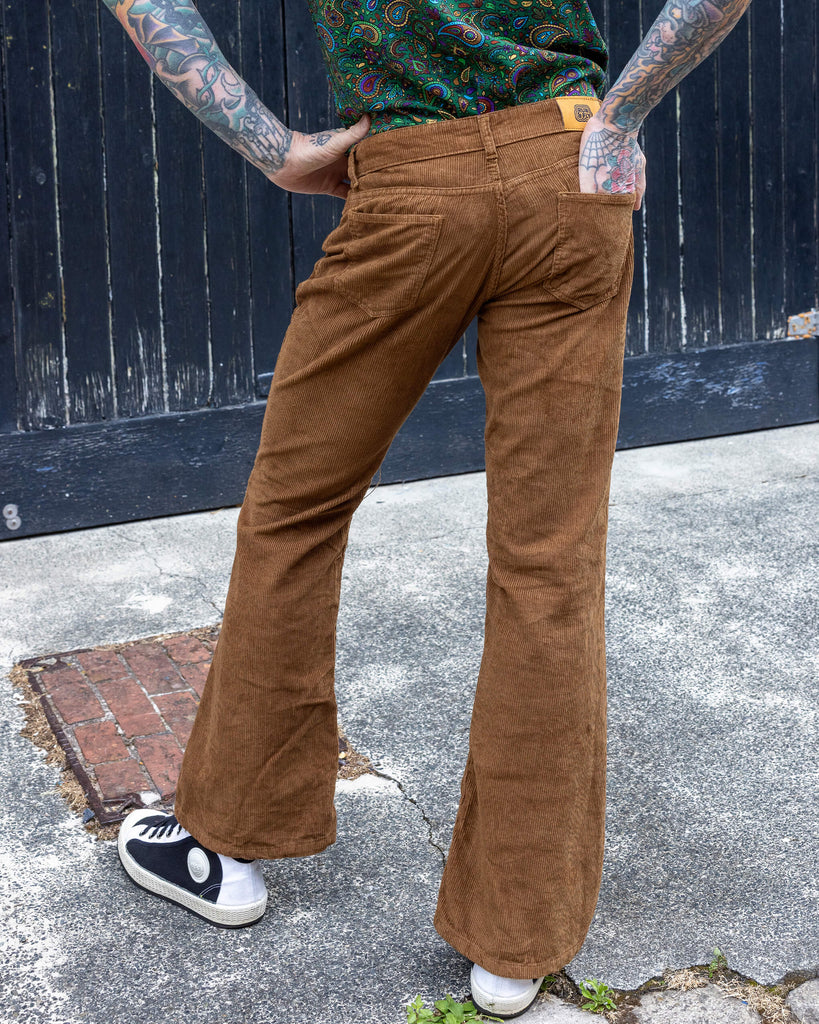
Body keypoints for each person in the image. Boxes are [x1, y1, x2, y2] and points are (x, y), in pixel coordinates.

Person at [102, 0, 752, 1017]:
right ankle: (515, 940)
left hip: (410, 180)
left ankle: (222, 844)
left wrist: (273, 146)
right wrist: (624, 114)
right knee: (551, 555)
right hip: (566, 165)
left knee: (295, 512)